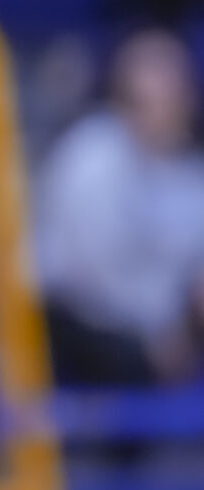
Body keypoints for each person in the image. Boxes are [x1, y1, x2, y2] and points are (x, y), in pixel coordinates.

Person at [33, 31, 204, 390]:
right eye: (150, 97)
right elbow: (92, 277)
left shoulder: (192, 173)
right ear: (124, 97)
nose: (168, 106)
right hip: (73, 322)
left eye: (175, 94)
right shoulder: (90, 155)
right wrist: (163, 335)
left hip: (164, 333)